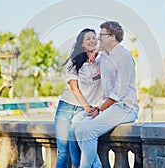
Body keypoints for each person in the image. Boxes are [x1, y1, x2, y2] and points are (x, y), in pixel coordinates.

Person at [75, 21, 139, 167]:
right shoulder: (103, 55)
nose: (98, 38)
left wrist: (99, 109)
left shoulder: (124, 57)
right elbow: (92, 70)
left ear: (112, 37)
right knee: (79, 130)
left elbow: (118, 92)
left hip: (125, 108)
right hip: (109, 108)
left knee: (89, 132)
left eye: (101, 35)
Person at [54, 28, 102, 168]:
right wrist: (87, 107)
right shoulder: (73, 62)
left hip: (83, 112)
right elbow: (74, 88)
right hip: (66, 108)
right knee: (62, 151)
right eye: (88, 39)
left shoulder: (100, 62)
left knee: (76, 142)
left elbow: (114, 53)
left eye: (94, 38)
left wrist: (99, 51)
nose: (92, 40)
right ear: (81, 44)